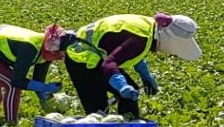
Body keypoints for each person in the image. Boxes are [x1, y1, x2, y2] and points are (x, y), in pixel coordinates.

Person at [64, 12, 202, 118]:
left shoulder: (148, 28)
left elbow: (129, 52)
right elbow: (109, 64)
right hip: (81, 60)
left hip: (96, 56)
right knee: (98, 109)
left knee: (130, 94)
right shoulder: (141, 38)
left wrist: (145, 75)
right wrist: (122, 87)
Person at [0, 23, 68, 124]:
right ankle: (12, 124)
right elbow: (17, 80)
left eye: (62, 53)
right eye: (57, 52)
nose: (60, 56)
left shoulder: (46, 54)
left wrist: (46, 97)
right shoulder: (30, 47)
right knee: (12, 85)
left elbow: (38, 83)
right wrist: (44, 87)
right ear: (50, 47)